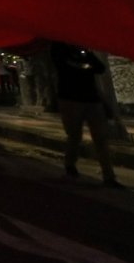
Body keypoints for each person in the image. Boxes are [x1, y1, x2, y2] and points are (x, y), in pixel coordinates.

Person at [51, 41, 122, 188]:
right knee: (75, 136)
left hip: (92, 99)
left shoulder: (85, 52)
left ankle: (109, 176)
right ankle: (70, 166)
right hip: (70, 99)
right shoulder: (59, 47)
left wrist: (85, 60)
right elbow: (65, 67)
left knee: (101, 138)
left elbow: (99, 68)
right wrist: (85, 66)